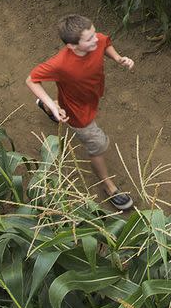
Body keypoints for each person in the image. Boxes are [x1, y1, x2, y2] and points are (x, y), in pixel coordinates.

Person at [26, 14, 136, 212]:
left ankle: (49, 107)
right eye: (89, 39)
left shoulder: (95, 40)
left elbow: (104, 42)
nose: (96, 39)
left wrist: (119, 58)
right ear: (72, 46)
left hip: (89, 95)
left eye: (94, 34)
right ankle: (108, 186)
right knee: (98, 143)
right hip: (78, 112)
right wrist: (52, 105)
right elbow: (31, 79)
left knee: (62, 103)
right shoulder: (60, 64)